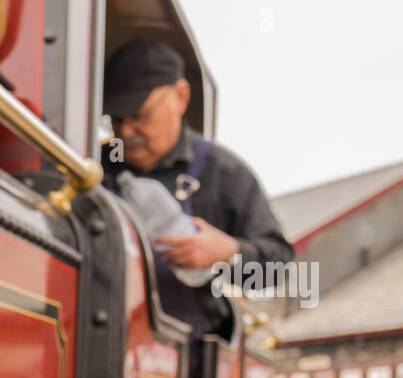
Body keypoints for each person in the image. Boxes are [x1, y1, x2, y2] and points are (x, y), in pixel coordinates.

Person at [100, 38, 293, 332]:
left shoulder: (225, 173)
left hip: (183, 357)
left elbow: (278, 270)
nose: (126, 132)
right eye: (116, 119)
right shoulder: (93, 165)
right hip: (104, 330)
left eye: (140, 116)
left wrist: (228, 252)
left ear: (180, 96)